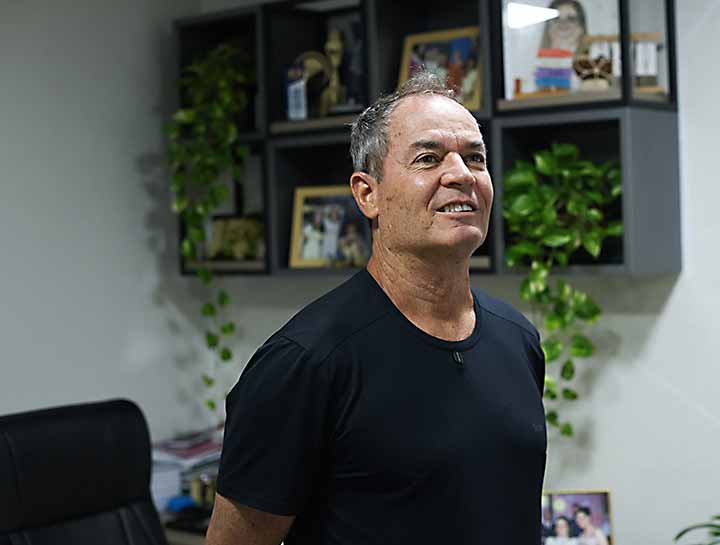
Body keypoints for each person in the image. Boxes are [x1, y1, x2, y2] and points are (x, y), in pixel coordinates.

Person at [205, 70, 547, 545]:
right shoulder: (305, 363)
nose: (462, 175)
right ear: (368, 194)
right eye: (428, 158)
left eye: (475, 158)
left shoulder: (517, 339)